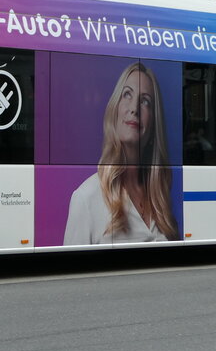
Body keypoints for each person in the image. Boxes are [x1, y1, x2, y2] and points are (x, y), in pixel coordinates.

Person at [64, 63, 178, 244]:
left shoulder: (160, 199)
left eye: (145, 101)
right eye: (127, 94)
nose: (134, 108)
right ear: (114, 111)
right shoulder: (86, 198)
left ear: (154, 124)